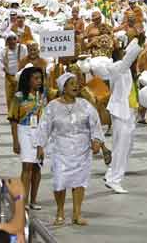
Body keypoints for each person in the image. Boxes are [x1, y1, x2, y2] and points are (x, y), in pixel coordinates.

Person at [35, 73, 104, 226]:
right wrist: (40, 146)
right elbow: (44, 127)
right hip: (60, 149)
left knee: (80, 181)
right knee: (60, 180)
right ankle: (60, 212)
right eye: (71, 83)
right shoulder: (52, 106)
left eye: (76, 83)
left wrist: (97, 140)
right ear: (63, 87)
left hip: (82, 149)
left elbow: (95, 123)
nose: (75, 86)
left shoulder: (85, 104)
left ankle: (77, 214)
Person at [103, 32, 142, 194]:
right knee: (121, 148)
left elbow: (130, 53)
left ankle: (110, 174)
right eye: (123, 53)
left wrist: (135, 39)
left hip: (130, 112)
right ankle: (115, 180)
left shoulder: (127, 70)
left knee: (127, 147)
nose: (126, 55)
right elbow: (130, 56)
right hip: (120, 113)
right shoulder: (116, 68)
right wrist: (139, 42)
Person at [8, 66, 46, 210]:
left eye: (40, 78)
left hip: (39, 132)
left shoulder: (43, 95)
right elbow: (13, 119)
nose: (39, 81)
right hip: (24, 131)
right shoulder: (19, 97)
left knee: (37, 167)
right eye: (35, 78)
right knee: (27, 166)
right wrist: (15, 141)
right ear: (27, 80)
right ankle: (22, 201)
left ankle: (33, 201)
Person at [1, 33, 28, 108]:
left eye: (14, 39)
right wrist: (3, 68)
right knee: (9, 96)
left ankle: (20, 113)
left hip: (21, 76)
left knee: (20, 95)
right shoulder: (3, 51)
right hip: (9, 77)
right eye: (9, 39)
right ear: (7, 41)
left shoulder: (23, 48)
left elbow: (26, 59)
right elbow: (0, 62)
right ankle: (11, 114)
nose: (12, 41)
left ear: (17, 40)